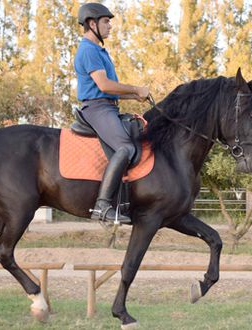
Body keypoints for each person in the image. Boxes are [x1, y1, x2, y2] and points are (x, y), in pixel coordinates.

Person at [74, 3, 150, 224]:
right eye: (106, 22)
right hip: (96, 108)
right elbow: (104, 85)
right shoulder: (88, 49)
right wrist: (135, 89)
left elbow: (109, 90)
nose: (110, 26)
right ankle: (103, 206)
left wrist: (133, 97)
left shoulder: (99, 50)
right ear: (92, 23)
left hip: (107, 105)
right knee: (125, 147)